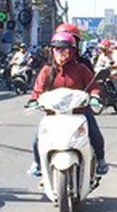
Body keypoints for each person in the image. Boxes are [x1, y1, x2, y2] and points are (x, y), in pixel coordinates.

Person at [25, 31, 109, 176]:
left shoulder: (81, 69)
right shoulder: (46, 71)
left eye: (65, 49)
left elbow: (93, 86)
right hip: (54, 114)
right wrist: (33, 101)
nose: (61, 53)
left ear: (72, 52)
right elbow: (38, 90)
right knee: (38, 139)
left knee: (95, 134)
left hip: (79, 111)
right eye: (57, 49)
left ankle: (101, 161)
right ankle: (38, 163)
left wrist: (94, 96)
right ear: (52, 51)